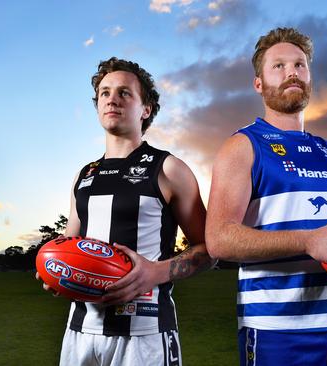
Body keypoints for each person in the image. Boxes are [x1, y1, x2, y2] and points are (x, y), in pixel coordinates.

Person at [205, 27, 327, 366]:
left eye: (300, 65)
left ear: (310, 77)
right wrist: (308, 241)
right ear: (259, 83)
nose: (292, 72)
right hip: (275, 330)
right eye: (279, 66)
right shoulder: (242, 146)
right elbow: (218, 239)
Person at [38, 57, 214, 366]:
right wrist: (54, 272)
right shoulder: (85, 176)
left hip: (144, 333)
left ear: (146, 110)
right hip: (80, 332)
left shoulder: (169, 168)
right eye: (104, 93)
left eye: (124, 93)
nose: (112, 99)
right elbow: (68, 245)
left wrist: (155, 272)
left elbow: (211, 250)